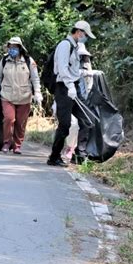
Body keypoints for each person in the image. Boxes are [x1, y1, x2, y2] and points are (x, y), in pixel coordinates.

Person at [47, 20, 96, 167]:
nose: (85, 37)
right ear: (79, 32)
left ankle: (80, 154)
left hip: (74, 87)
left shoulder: (75, 47)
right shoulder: (65, 45)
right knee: (65, 125)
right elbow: (62, 69)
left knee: (87, 119)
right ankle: (54, 157)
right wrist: (70, 86)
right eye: (85, 34)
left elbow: (73, 69)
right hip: (64, 88)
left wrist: (84, 74)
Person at [0, 37, 43, 154]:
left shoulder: (28, 61)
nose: (12, 49)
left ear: (20, 48)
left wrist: (38, 92)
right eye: (10, 47)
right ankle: (6, 142)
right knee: (9, 119)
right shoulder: (5, 60)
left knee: (21, 122)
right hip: (7, 95)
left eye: (15, 47)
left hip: (24, 96)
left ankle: (17, 145)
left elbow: (35, 78)